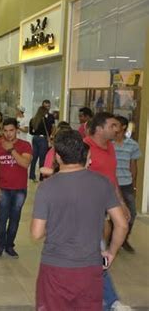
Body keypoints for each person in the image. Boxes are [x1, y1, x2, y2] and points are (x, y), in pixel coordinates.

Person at [31, 130, 128, 311]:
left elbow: (36, 233)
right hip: (90, 268)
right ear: (84, 155)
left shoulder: (46, 188)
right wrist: (111, 252)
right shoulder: (103, 183)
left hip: (55, 269)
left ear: (58, 157)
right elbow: (122, 224)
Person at [83, 112, 132, 310]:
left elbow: (112, 178)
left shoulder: (110, 147)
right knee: (97, 253)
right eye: (112, 125)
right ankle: (110, 301)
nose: (117, 129)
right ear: (100, 128)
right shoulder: (84, 147)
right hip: (87, 211)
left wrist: (121, 202)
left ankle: (107, 300)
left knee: (97, 254)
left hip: (105, 208)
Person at [0, 118, 32, 259]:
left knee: (15, 218)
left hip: (19, 189)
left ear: (17, 130)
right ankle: (0, 245)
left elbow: (25, 164)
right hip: (3, 188)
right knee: (2, 218)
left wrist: (12, 150)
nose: (8, 134)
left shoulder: (25, 145)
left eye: (11, 130)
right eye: (5, 131)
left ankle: (10, 245)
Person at [113, 116, 141, 253]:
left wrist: (134, 185)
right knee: (109, 215)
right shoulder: (108, 144)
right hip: (110, 184)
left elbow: (134, 166)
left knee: (132, 213)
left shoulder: (133, 145)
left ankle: (124, 239)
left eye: (115, 125)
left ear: (123, 127)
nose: (113, 127)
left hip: (126, 184)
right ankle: (112, 239)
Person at [29, 103, 55, 182]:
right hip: (43, 139)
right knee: (42, 158)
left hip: (35, 138)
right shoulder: (46, 120)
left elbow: (31, 132)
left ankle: (31, 175)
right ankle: (41, 176)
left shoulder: (33, 120)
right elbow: (50, 129)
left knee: (34, 158)